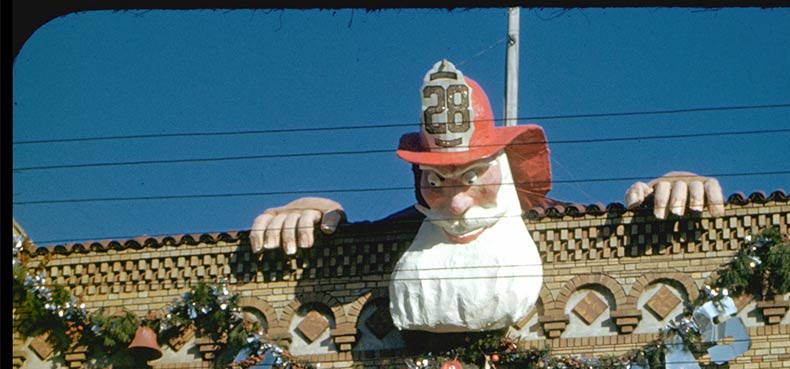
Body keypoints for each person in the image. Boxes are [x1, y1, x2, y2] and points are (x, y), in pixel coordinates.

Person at [249, 58, 725, 333]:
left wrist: (675, 187)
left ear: (509, 169)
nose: (456, 206)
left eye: (475, 177)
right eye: (436, 182)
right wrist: (315, 214)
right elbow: (346, 234)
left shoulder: (570, 221)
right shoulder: (405, 237)